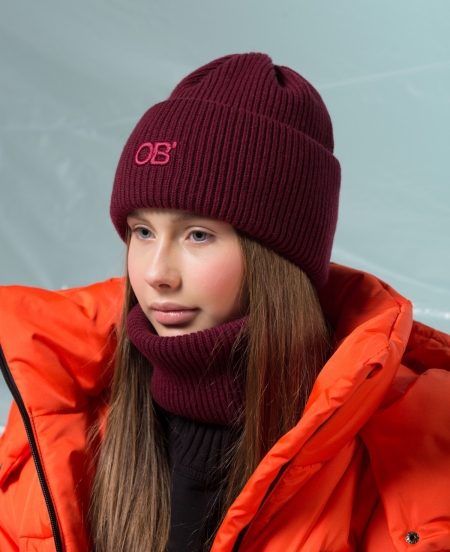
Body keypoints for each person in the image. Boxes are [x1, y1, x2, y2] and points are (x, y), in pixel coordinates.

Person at [0, 53, 449, 552]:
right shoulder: (57, 422)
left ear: (276, 258)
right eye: (142, 231)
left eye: (197, 234)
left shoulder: (411, 445)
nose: (156, 273)